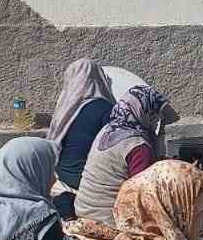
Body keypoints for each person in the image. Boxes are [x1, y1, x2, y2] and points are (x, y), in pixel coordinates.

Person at [72, 81, 177, 225]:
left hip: (83, 208)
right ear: (146, 113)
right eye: (155, 114)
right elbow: (143, 192)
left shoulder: (109, 129)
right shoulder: (137, 146)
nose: (157, 120)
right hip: (108, 218)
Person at [46, 59, 116, 218]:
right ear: (99, 79)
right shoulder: (105, 108)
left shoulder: (65, 108)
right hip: (87, 180)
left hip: (62, 174)